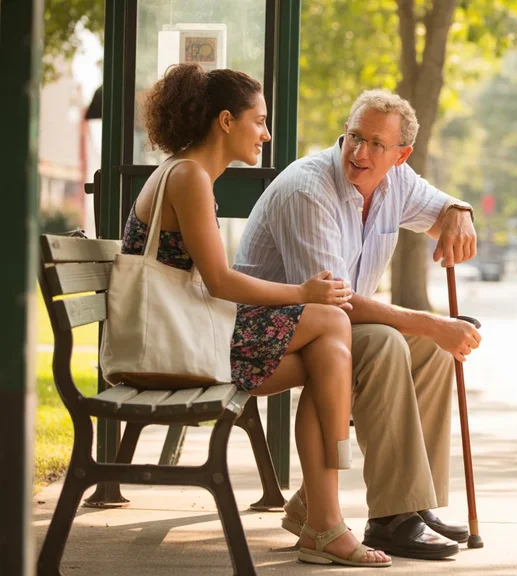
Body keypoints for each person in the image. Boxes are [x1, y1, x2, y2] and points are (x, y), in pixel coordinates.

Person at [133, 64, 390, 567]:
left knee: (326, 351)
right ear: (226, 121)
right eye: (260, 120)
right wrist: (303, 290)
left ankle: (324, 520)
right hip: (175, 342)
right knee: (331, 320)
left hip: (190, 330)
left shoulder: (189, 173)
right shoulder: (187, 177)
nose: (267, 134)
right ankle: (330, 501)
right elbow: (220, 282)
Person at [233, 89, 481, 561]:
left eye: (375, 144)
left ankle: (413, 503)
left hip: (329, 329)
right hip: (277, 332)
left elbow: (442, 210)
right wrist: (431, 321)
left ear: (400, 155)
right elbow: (336, 304)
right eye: (353, 137)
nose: (359, 152)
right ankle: (392, 518)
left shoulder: (397, 182)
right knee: (391, 342)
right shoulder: (311, 189)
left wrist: (460, 211)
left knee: (427, 348)